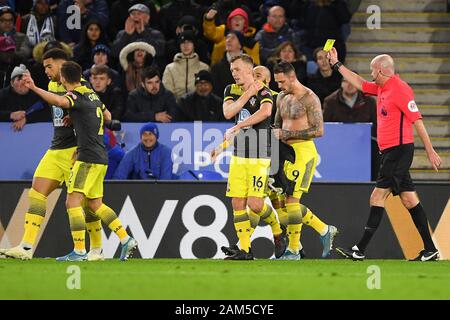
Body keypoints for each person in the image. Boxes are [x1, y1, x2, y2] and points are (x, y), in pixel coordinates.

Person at [327, 48, 442, 261]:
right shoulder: (383, 88)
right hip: (389, 152)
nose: (371, 75)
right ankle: (430, 248)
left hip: (398, 151)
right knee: (409, 200)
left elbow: (417, 120)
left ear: (380, 70)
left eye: (372, 71)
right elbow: (359, 82)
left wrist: (430, 151)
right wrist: (336, 64)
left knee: (377, 196)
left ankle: (359, 249)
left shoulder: (400, 89)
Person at [22, 61, 138, 261]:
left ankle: (79, 251)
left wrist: (33, 87)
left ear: (64, 79)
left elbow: (58, 102)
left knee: (72, 201)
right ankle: (126, 238)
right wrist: (76, 118)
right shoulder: (92, 95)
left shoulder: (75, 95)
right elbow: (106, 115)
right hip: (101, 157)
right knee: (95, 204)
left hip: (87, 158)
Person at [0, 49, 102, 261]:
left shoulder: (80, 83)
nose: (46, 70)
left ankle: (94, 250)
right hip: (55, 150)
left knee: (86, 203)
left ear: (62, 64)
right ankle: (26, 247)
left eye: (49, 66)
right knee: (36, 192)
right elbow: (58, 106)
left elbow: (97, 109)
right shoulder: (51, 85)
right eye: (44, 66)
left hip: (76, 151)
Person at [221, 54, 287, 260]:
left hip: (260, 153)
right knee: (237, 202)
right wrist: (247, 93)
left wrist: (239, 125)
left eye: (238, 69)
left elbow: (266, 112)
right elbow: (228, 112)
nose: (234, 73)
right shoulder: (230, 90)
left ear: (250, 70)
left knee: (255, 204)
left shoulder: (265, 91)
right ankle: (245, 250)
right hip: (239, 154)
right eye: (232, 70)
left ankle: (277, 230)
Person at [272, 61, 338, 260]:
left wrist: (288, 132)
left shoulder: (310, 98)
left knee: (292, 201)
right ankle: (324, 229)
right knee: (283, 204)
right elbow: (276, 125)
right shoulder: (281, 97)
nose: (279, 86)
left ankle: (293, 251)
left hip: (303, 152)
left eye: (281, 81)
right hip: (285, 152)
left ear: (292, 77)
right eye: (276, 82)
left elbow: (319, 130)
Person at [323, 75, 379, 180]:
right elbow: (326, 127)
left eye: (353, 81)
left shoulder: (370, 102)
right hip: (338, 147)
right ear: (341, 84)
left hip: (364, 146)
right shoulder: (330, 102)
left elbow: (377, 126)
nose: (350, 85)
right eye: (346, 81)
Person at [112, 3, 166, 68]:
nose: (135, 16)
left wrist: (144, 33)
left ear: (147, 17)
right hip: (128, 70)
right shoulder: (122, 34)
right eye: (133, 14)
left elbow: (160, 52)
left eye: (139, 14)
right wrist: (126, 35)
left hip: (149, 70)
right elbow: (115, 53)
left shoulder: (156, 34)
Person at [162, 30, 209, 102]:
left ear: (194, 44)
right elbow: (167, 93)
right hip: (176, 108)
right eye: (183, 42)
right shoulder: (170, 68)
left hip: (198, 107)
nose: (185, 45)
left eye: (189, 42)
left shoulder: (204, 68)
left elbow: (207, 91)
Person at [0, 64, 50, 130]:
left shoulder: (38, 94)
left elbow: (49, 113)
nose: (23, 82)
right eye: (19, 79)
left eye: (26, 79)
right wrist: (10, 115)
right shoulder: (2, 94)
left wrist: (27, 118)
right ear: (12, 83)